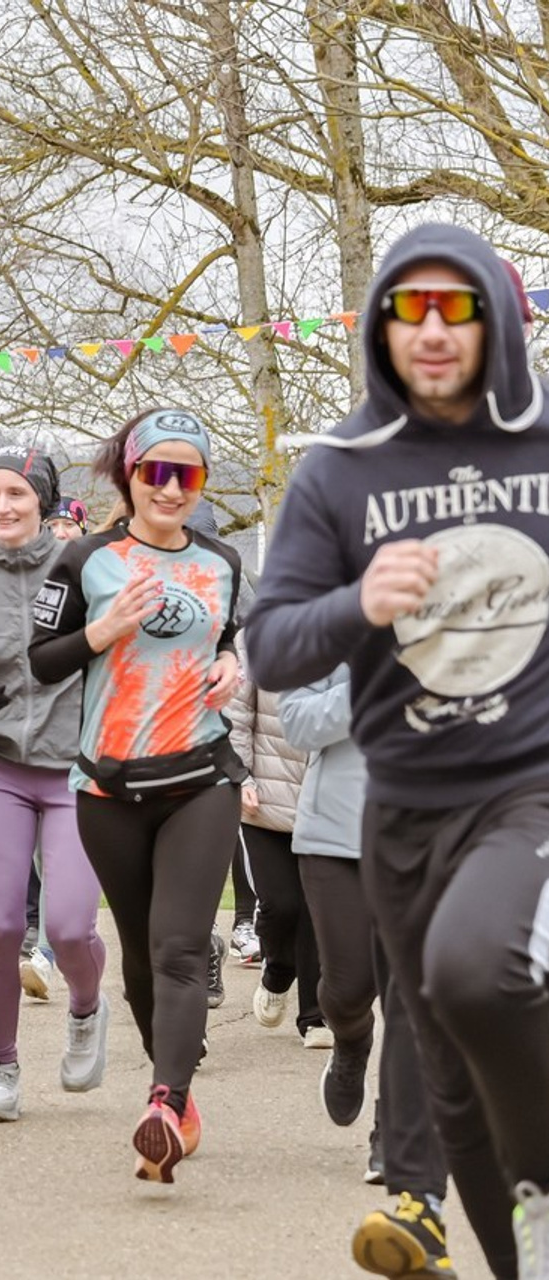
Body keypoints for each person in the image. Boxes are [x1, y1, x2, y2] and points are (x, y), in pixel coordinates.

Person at [247, 223, 549, 1280]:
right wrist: (356, 600)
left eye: (454, 307)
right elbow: (271, 644)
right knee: (449, 1090)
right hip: (400, 805)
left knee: (475, 971)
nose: (430, 330)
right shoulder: (338, 470)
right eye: (406, 308)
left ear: (496, 320)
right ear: (378, 324)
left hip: (526, 786)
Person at [29, 407, 243, 1185]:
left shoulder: (222, 561)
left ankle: (165, 1101)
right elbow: (40, 661)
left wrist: (232, 665)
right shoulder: (87, 559)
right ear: (131, 475)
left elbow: (223, 640)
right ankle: (176, 1095)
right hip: (109, 786)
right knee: (140, 966)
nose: (171, 487)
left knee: (180, 948)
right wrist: (100, 631)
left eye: (188, 474)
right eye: (158, 471)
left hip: (201, 778)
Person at [0, 444, 108, 1123]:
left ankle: (88, 1008)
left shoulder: (84, 568)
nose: (2, 506)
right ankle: (1, 1068)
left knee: (66, 927)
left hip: (72, 769)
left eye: (17, 495)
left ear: (43, 503)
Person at [279, 665, 454, 1279]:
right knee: (349, 988)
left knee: (410, 998)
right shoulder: (334, 629)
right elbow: (297, 721)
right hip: (335, 839)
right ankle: (350, 1041)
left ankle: (392, 1131)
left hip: (425, 838)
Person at [226, 646, 328, 1047]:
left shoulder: (345, 635)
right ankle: (278, 970)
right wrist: (243, 777)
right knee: (281, 904)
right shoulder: (257, 642)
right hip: (264, 804)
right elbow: (237, 719)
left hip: (323, 804)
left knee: (316, 908)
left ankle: (316, 1017)